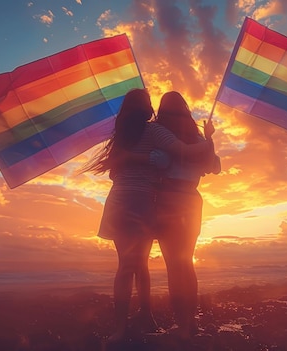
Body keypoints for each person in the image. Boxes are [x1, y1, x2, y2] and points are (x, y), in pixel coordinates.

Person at [80, 89, 215, 343]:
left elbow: (113, 170)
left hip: (131, 202)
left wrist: (134, 157)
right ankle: (175, 320)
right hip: (161, 203)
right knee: (176, 264)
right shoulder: (158, 132)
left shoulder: (127, 135)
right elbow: (195, 157)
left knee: (130, 267)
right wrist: (209, 140)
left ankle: (125, 327)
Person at [154, 91, 221, 340]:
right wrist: (208, 138)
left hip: (169, 200)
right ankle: (189, 322)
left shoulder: (161, 136)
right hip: (192, 201)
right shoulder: (195, 137)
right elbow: (214, 166)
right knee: (187, 264)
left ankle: (182, 325)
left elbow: (158, 163)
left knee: (174, 267)